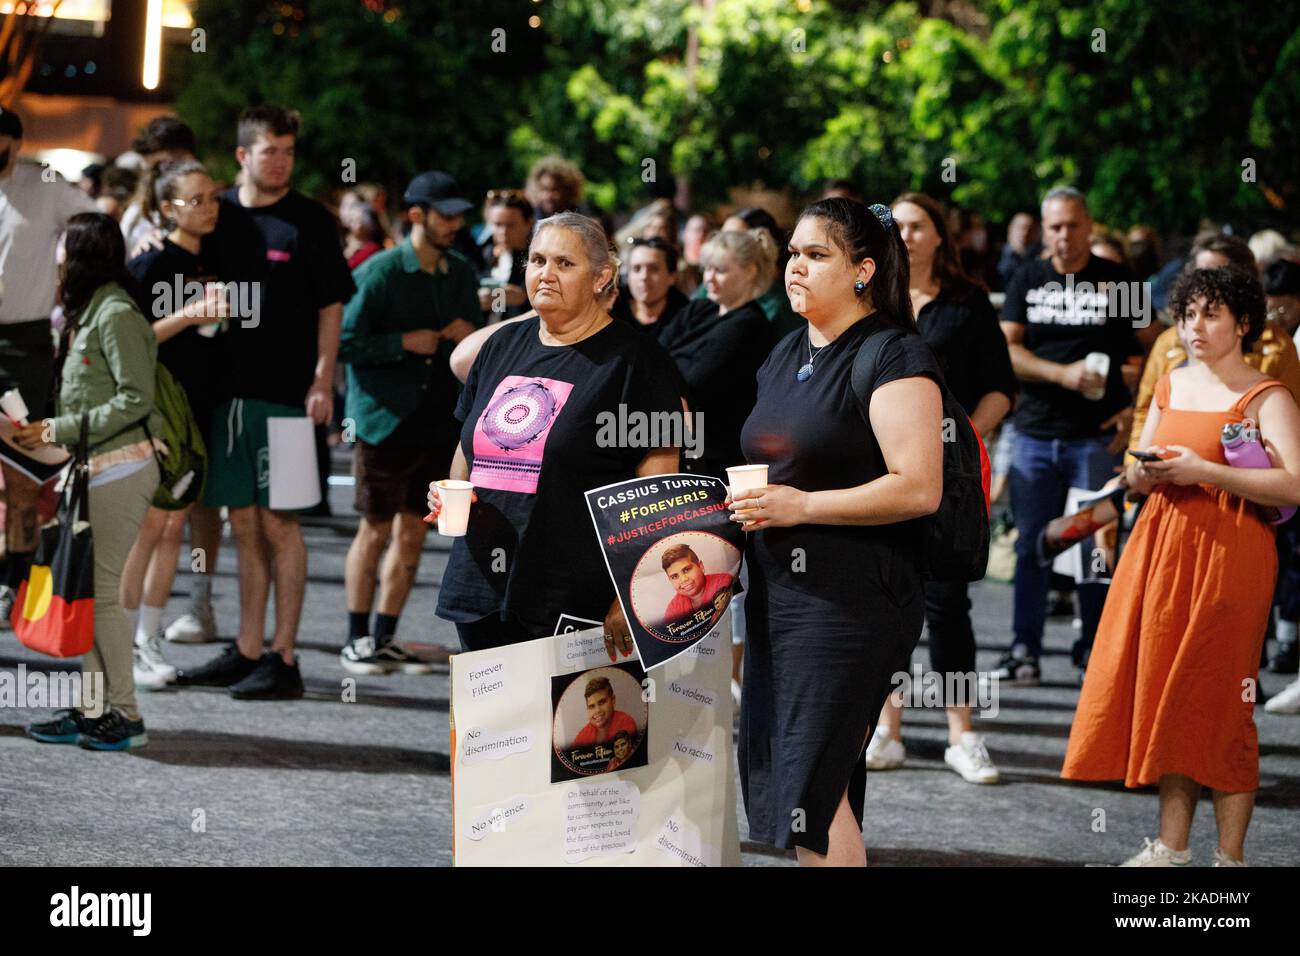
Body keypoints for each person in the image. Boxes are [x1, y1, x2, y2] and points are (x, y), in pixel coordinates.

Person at [1061, 266, 1300, 866]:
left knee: (1222, 701)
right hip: (1163, 546)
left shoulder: (1267, 395)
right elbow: (1147, 468)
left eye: (1211, 314)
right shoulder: (1170, 382)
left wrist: (1207, 472)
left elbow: (1292, 486)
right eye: (1188, 313)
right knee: (1170, 695)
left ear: (1243, 323)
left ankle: (1231, 857)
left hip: (1232, 553)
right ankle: (1171, 848)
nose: (1195, 326)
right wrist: (1142, 473)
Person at [732, 198, 944, 866]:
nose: (795, 266)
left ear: (862, 271)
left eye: (816, 254)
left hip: (853, 603)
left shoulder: (895, 354)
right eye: (793, 252)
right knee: (810, 789)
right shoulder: (785, 351)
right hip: (778, 597)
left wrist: (801, 508)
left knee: (810, 793)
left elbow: (918, 486)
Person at [427, 212, 681, 654]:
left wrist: (634, 594)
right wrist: (448, 493)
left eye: (565, 263)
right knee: (487, 726)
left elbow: (657, 494)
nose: (545, 273)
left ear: (602, 276)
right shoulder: (502, 345)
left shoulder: (639, 361)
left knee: (564, 724)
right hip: (480, 586)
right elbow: (468, 450)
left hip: (573, 598)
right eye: (537, 260)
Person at [176, 105, 354, 699]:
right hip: (225, 395)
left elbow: (332, 304)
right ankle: (248, 647)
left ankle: (285, 658)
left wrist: (323, 379)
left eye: (288, 152)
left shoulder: (309, 220)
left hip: (288, 396)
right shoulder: (215, 212)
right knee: (242, 522)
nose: (281, 161)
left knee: (282, 524)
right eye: (270, 151)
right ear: (243, 155)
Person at [863, 192, 1016, 784]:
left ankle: (962, 734)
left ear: (938, 236)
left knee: (948, 605)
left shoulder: (967, 302)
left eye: (917, 225)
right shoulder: (869, 301)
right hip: (878, 474)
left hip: (948, 482)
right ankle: (887, 729)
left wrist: (963, 438)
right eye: (895, 225)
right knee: (885, 599)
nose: (905, 234)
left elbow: (1002, 385)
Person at [21, 213, 161, 751]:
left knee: (100, 595)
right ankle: (93, 709)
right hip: (93, 467)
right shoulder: (90, 310)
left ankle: (123, 715)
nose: (54, 256)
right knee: (88, 593)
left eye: (61, 247)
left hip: (121, 465)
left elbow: (135, 398)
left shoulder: (116, 312)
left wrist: (58, 428)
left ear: (79, 254)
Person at [996, 186, 1143, 686]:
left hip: (1094, 440)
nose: (1063, 235)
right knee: (1032, 545)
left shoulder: (1120, 282)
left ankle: (1095, 648)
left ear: (1089, 225)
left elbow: (1161, 347)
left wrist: (1134, 408)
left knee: (1094, 548)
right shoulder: (1027, 277)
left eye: (1072, 225)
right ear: (1044, 228)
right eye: (1054, 226)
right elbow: (1007, 350)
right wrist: (1063, 375)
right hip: (1036, 434)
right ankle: (1024, 648)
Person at [338, 170, 479, 674]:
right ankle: (356, 638)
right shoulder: (380, 272)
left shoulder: (461, 272)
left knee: (413, 535)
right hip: (382, 420)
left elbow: (475, 349)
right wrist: (402, 342)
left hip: (437, 421)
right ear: (416, 215)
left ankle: (385, 636)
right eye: (447, 215)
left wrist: (472, 334)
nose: (456, 224)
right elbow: (343, 341)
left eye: (460, 215)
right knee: (373, 530)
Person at [122, 160, 232, 689]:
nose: (208, 208)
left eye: (212, 198)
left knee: (172, 528)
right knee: (150, 526)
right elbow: (129, 340)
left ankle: (148, 638)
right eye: (195, 200)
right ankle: (123, 643)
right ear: (166, 209)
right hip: (156, 407)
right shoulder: (149, 265)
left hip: (198, 409)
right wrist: (189, 314)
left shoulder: (216, 257)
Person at [0, 107, 96, 626]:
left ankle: (14, 582)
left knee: (21, 469)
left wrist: (75, 283)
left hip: (22, 342)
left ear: (16, 142)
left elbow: (96, 224)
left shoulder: (45, 187)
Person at [663, 228, 777, 480]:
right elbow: (652, 353)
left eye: (720, 270)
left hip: (713, 457)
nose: (709, 279)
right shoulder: (700, 309)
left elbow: (693, 383)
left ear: (750, 272)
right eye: (706, 269)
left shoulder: (749, 325)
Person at [609, 237, 689, 339]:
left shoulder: (685, 318)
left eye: (654, 269)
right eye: (637, 269)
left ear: (672, 277)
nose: (644, 276)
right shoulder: (610, 308)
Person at [475, 188, 533, 321]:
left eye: (511, 225)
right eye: (498, 224)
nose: (503, 232)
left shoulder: (538, 260)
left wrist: (520, 298)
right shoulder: (481, 255)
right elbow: (498, 307)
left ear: (528, 223)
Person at [661, 544, 733, 620]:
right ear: (670, 580)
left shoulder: (722, 582)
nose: (683, 579)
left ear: (700, 566)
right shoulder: (673, 608)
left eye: (686, 570)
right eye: (674, 576)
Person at [572, 677, 637, 747]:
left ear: (613, 701)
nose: (597, 710)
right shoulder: (583, 736)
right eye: (591, 706)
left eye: (602, 702)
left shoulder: (625, 722)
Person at [525, 156, 584, 220]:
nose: (548, 196)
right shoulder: (529, 218)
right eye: (544, 189)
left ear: (568, 191)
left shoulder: (580, 218)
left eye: (555, 190)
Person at [996, 211, 1040, 290]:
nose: (1025, 233)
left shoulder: (1039, 258)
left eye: (1030, 228)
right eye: (1020, 228)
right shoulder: (995, 256)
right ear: (1010, 229)